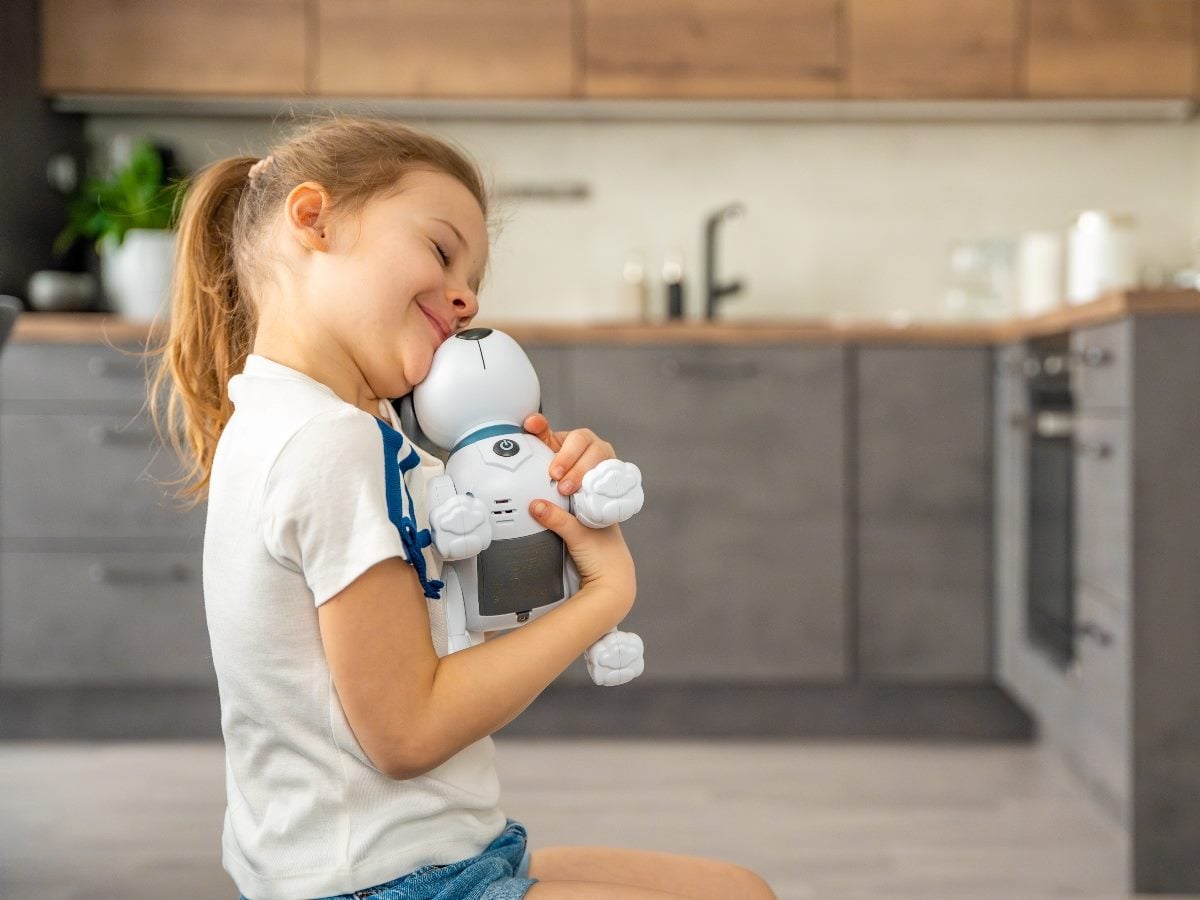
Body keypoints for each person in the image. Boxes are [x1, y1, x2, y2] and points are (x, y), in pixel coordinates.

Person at [150, 116, 775, 900]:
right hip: (385, 882)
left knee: (737, 889)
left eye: (473, 275)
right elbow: (408, 733)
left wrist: (550, 515)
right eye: (442, 249)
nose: (467, 294)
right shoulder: (331, 445)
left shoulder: (322, 425)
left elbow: (442, 624)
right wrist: (604, 595)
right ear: (314, 220)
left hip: (434, 852)